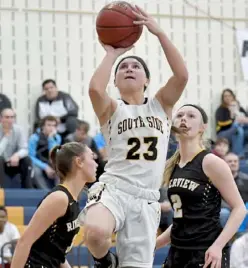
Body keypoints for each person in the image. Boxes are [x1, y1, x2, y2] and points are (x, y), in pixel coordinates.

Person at [78, 4, 188, 268]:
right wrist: (111, 53)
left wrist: (160, 33)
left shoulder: (161, 104)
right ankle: (105, 260)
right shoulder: (112, 109)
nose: (128, 67)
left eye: (135, 66)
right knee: (95, 231)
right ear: (114, 81)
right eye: (122, 67)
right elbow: (94, 89)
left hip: (147, 198)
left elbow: (182, 75)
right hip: (115, 187)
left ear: (147, 80)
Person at [156, 104, 247, 268]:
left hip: (205, 251)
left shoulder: (210, 162)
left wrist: (218, 246)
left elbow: (240, 208)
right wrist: (154, 245)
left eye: (191, 116)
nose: (184, 118)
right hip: (177, 251)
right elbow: (181, 219)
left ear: (202, 127)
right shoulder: (173, 166)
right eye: (180, 115)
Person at [11, 142, 98, 268]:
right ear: (79, 162)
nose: (96, 164)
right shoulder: (59, 198)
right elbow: (24, 242)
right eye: (92, 158)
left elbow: (57, 255)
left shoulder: (73, 200)